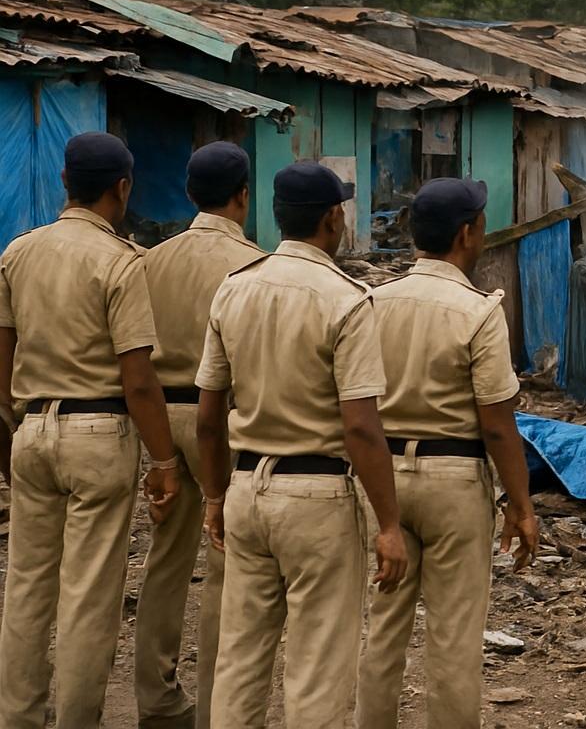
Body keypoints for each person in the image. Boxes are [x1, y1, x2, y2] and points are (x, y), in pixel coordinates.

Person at [194, 160, 406, 728]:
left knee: (239, 660)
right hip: (316, 499)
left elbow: (209, 416)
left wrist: (215, 497)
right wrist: (389, 524)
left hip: (245, 490)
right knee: (316, 668)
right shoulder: (346, 299)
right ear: (333, 218)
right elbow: (361, 427)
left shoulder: (234, 290)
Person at [0, 132, 181, 728]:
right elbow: (138, 380)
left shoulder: (18, 252)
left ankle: (18, 718)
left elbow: (1, 362)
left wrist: (12, 434)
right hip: (98, 432)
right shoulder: (120, 261)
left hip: (31, 429)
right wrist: (163, 461)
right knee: (88, 595)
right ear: (122, 188)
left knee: (26, 587)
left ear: (63, 183)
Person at [356, 177, 539, 728]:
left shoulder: (370, 303)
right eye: (481, 223)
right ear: (467, 233)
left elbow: (355, 408)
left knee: (383, 626)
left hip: (383, 478)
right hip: (453, 482)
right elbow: (499, 427)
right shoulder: (479, 312)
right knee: (454, 636)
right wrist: (521, 504)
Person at [137, 142, 264, 729]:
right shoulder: (252, 265)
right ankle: (217, 708)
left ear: (190, 194)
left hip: (161, 417)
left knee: (165, 558)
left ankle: (158, 700)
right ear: (243, 194)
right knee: (224, 563)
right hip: (224, 421)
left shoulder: (149, 261)